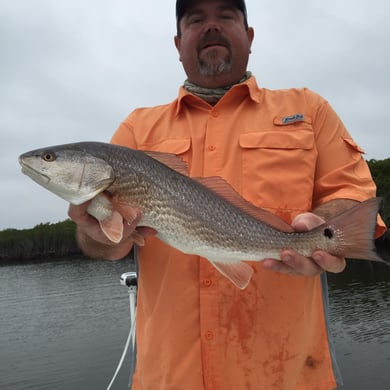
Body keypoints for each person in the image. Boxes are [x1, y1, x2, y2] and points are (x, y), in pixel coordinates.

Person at [69, 1, 387, 389]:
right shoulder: (136, 130)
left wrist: (322, 230)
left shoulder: (308, 109)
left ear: (250, 36)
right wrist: (96, 233)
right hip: (168, 378)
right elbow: (105, 244)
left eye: (226, 15)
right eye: (196, 19)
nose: (211, 27)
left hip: (288, 375)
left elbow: (351, 193)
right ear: (177, 42)